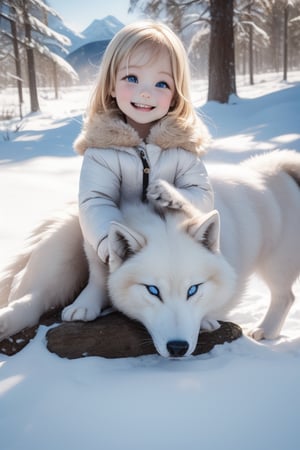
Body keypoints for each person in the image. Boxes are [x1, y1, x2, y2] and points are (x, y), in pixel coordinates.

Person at [62, 20, 214, 322]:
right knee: (90, 229)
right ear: (111, 85)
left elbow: (203, 196)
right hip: (117, 246)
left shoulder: (181, 148)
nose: (146, 93)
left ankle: (187, 306)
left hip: (168, 252)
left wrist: (179, 200)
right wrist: (112, 245)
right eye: (132, 78)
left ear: (175, 94)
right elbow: (95, 201)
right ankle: (97, 287)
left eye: (161, 84)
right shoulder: (102, 149)